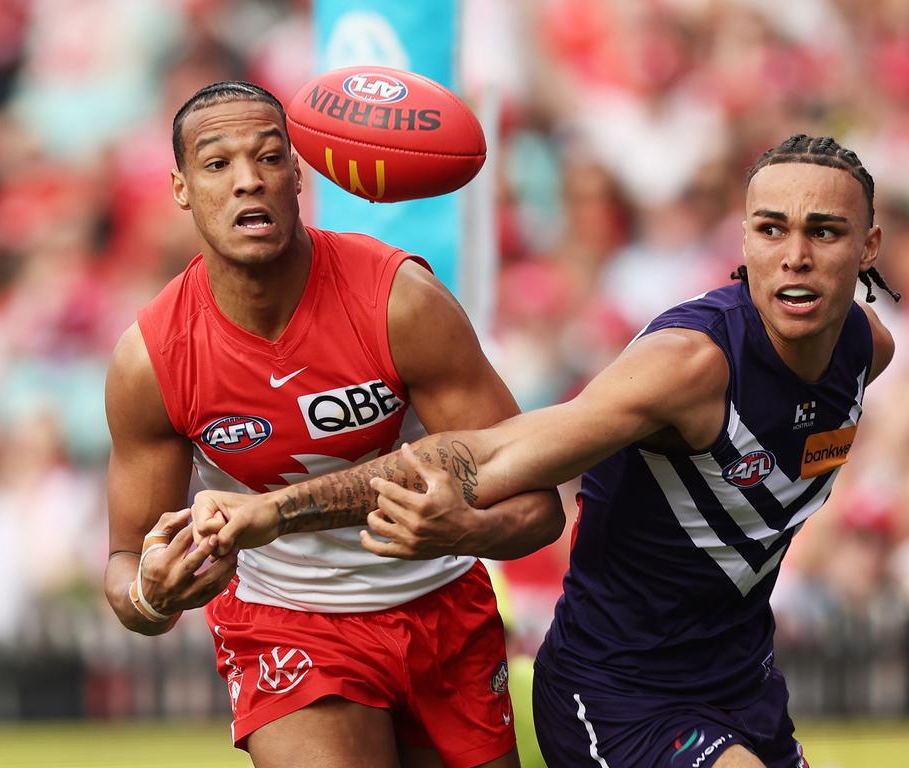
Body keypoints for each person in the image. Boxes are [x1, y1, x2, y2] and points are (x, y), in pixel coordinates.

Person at [191, 134, 900, 768]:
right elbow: (490, 454)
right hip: (620, 694)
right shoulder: (690, 366)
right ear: (743, 241)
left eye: (825, 232)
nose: (795, 256)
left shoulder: (868, 348)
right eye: (771, 230)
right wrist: (271, 514)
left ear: (868, 247)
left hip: (744, 684)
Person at [103, 80, 564, 768]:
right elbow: (127, 567)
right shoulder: (152, 359)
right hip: (287, 625)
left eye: (268, 158)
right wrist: (148, 595)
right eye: (217, 164)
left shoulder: (400, 302)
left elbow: (538, 506)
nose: (247, 183)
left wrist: (471, 529)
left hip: (441, 609)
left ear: (299, 172)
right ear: (180, 187)